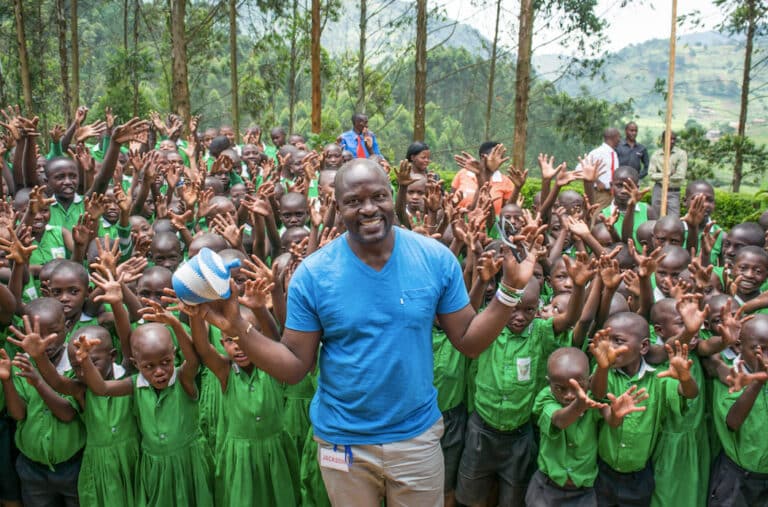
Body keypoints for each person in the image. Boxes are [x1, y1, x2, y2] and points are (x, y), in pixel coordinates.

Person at [196, 158, 541, 506]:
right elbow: (296, 365)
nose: (368, 209)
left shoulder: (435, 260)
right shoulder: (314, 275)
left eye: (378, 197)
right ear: (337, 206)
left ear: (393, 197)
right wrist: (239, 327)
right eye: (354, 201)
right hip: (343, 444)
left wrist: (509, 291)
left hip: (415, 439)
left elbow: (468, 341)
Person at [648, 131, 687, 217]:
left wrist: (660, 175)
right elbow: (651, 175)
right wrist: (668, 173)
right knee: (655, 218)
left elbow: (680, 176)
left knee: (673, 220)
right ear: (662, 140)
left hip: (673, 191)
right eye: (670, 139)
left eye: (674, 139)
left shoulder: (681, 154)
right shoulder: (656, 155)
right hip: (659, 190)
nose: (672, 141)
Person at [581, 128, 621, 210]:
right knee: (596, 218)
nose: (619, 140)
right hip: (600, 193)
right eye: (618, 137)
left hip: (611, 194)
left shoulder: (613, 153)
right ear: (613, 137)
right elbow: (581, 168)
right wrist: (597, 181)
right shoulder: (598, 152)